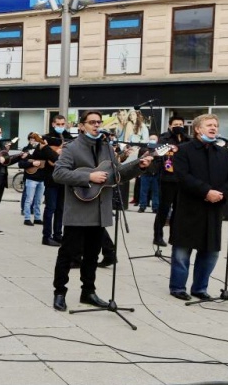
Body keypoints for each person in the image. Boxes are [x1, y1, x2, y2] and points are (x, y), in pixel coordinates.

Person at [51, 111, 151, 312]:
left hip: (99, 210)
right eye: (92, 122)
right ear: (82, 126)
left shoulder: (107, 147)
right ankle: (59, 292)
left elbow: (116, 175)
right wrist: (88, 177)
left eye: (99, 122)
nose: (96, 125)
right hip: (78, 210)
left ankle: (88, 291)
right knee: (68, 253)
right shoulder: (71, 148)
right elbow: (58, 173)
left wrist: (139, 167)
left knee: (92, 254)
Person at [168, 114, 228, 301]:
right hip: (189, 208)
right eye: (209, 125)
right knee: (182, 251)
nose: (214, 128)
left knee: (210, 251)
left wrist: (221, 193)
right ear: (198, 129)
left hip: (214, 209)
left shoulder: (223, 152)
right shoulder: (183, 150)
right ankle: (178, 287)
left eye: (216, 125)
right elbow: (182, 176)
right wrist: (206, 192)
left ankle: (200, 288)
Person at [35, 115, 74, 246]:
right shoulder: (46, 138)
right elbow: (36, 154)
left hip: (65, 178)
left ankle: (58, 235)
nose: (60, 126)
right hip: (51, 177)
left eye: (62, 124)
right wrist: (55, 151)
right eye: (58, 124)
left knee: (61, 209)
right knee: (50, 207)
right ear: (53, 124)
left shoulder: (70, 138)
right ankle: (46, 236)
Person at [154, 117, 190, 247]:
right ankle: (158, 235)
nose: (179, 126)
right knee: (164, 208)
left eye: (181, 124)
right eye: (176, 124)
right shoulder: (164, 138)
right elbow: (159, 154)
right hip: (168, 178)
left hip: (182, 179)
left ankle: (174, 235)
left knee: (178, 209)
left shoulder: (187, 138)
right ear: (170, 126)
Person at [19, 133, 45, 225]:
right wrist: (32, 164)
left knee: (38, 200)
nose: (33, 141)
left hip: (41, 179)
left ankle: (37, 217)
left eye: (35, 139)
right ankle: (27, 218)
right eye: (31, 139)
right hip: (31, 178)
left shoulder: (43, 150)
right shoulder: (26, 150)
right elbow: (21, 164)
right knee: (28, 199)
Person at [138, 134, 161, 214]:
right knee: (143, 191)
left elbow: (161, 162)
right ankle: (142, 206)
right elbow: (139, 161)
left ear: (157, 140)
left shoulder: (160, 149)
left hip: (156, 174)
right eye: (151, 139)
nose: (152, 140)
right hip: (145, 173)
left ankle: (155, 207)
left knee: (156, 192)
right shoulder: (143, 149)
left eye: (154, 139)